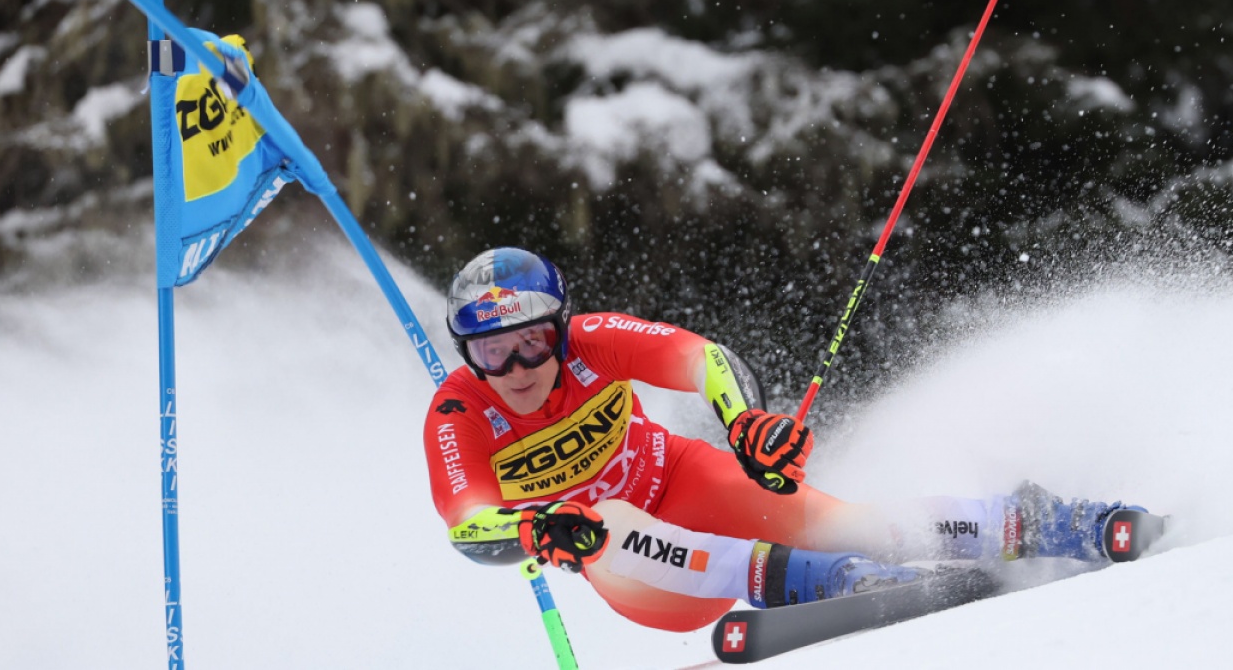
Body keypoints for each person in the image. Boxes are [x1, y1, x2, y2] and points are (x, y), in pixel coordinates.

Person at [422, 247, 1149, 631]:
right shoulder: (459, 414)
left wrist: (745, 424)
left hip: (686, 481)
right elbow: (466, 525)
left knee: (841, 524)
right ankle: (828, 580)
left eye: (532, 343)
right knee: (603, 522)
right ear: (466, 353)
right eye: (491, 352)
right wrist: (536, 528)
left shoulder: (593, 341)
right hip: (646, 577)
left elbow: (704, 360)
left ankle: (1032, 522)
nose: (516, 369)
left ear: (559, 329)